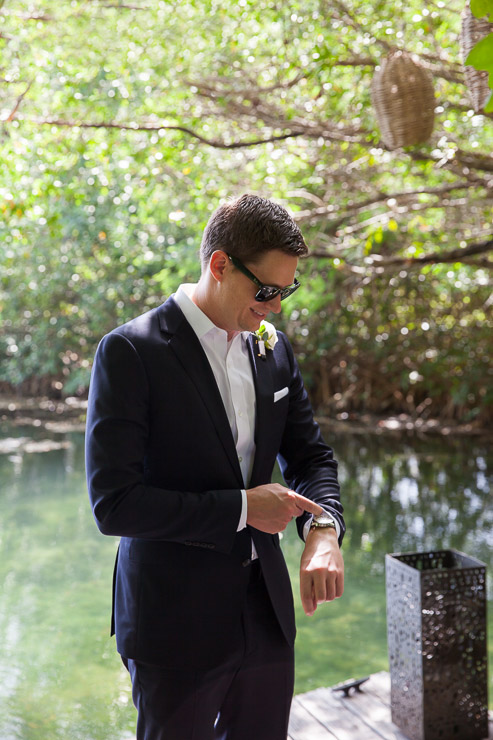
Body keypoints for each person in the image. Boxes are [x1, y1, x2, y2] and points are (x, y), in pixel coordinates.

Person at [85, 193, 345, 740]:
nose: (275, 307)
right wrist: (245, 508)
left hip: (267, 614)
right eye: (266, 291)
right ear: (220, 264)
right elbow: (115, 504)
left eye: (285, 291)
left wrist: (323, 530)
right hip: (173, 623)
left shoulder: (273, 349)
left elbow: (310, 456)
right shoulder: (131, 352)